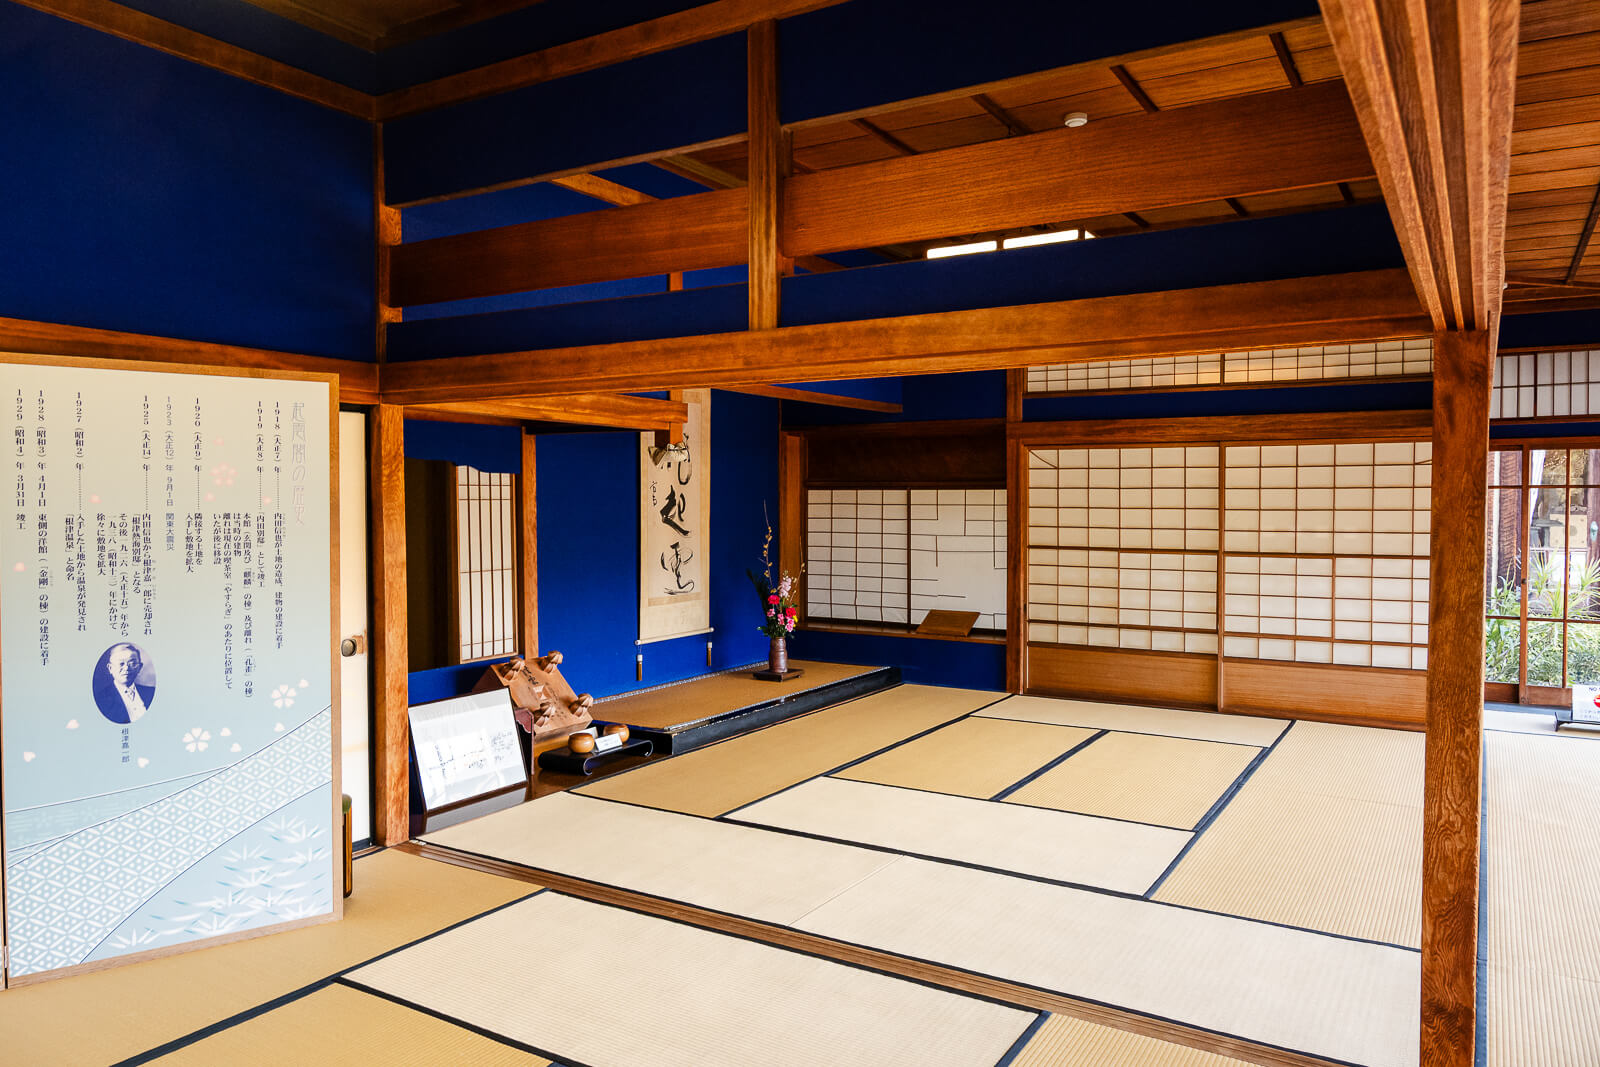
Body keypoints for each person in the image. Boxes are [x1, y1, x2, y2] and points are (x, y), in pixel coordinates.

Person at [92, 643, 156, 724]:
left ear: (139, 667)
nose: (126, 668)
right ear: (110, 668)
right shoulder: (100, 699)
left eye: (132, 664)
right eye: (121, 664)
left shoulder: (151, 692)